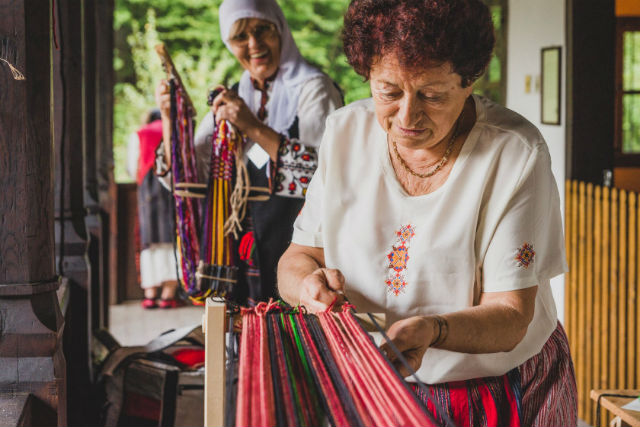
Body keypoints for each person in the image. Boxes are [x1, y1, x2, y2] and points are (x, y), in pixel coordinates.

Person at [277, 0, 577, 425]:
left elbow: (510, 316)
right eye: (388, 91)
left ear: (469, 80)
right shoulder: (344, 134)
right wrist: (307, 287)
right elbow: (298, 258)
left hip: (496, 388)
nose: (407, 116)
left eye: (431, 95)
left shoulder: (514, 154)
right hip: (374, 381)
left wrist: (432, 330)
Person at [155, 0, 343, 304]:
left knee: (296, 337)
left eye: (262, 30)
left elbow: (324, 176)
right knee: (244, 340)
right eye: (241, 36)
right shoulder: (235, 96)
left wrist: (252, 127)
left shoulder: (315, 90)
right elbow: (189, 177)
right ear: (230, 44)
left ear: (280, 29)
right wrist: (170, 119)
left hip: (300, 246)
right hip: (241, 252)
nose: (253, 44)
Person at [127, 109, 180, 309]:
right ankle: (168, 294)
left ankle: (150, 294)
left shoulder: (140, 134)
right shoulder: (173, 131)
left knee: (148, 241)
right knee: (170, 239)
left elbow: (133, 168)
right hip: (171, 189)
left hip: (147, 191)